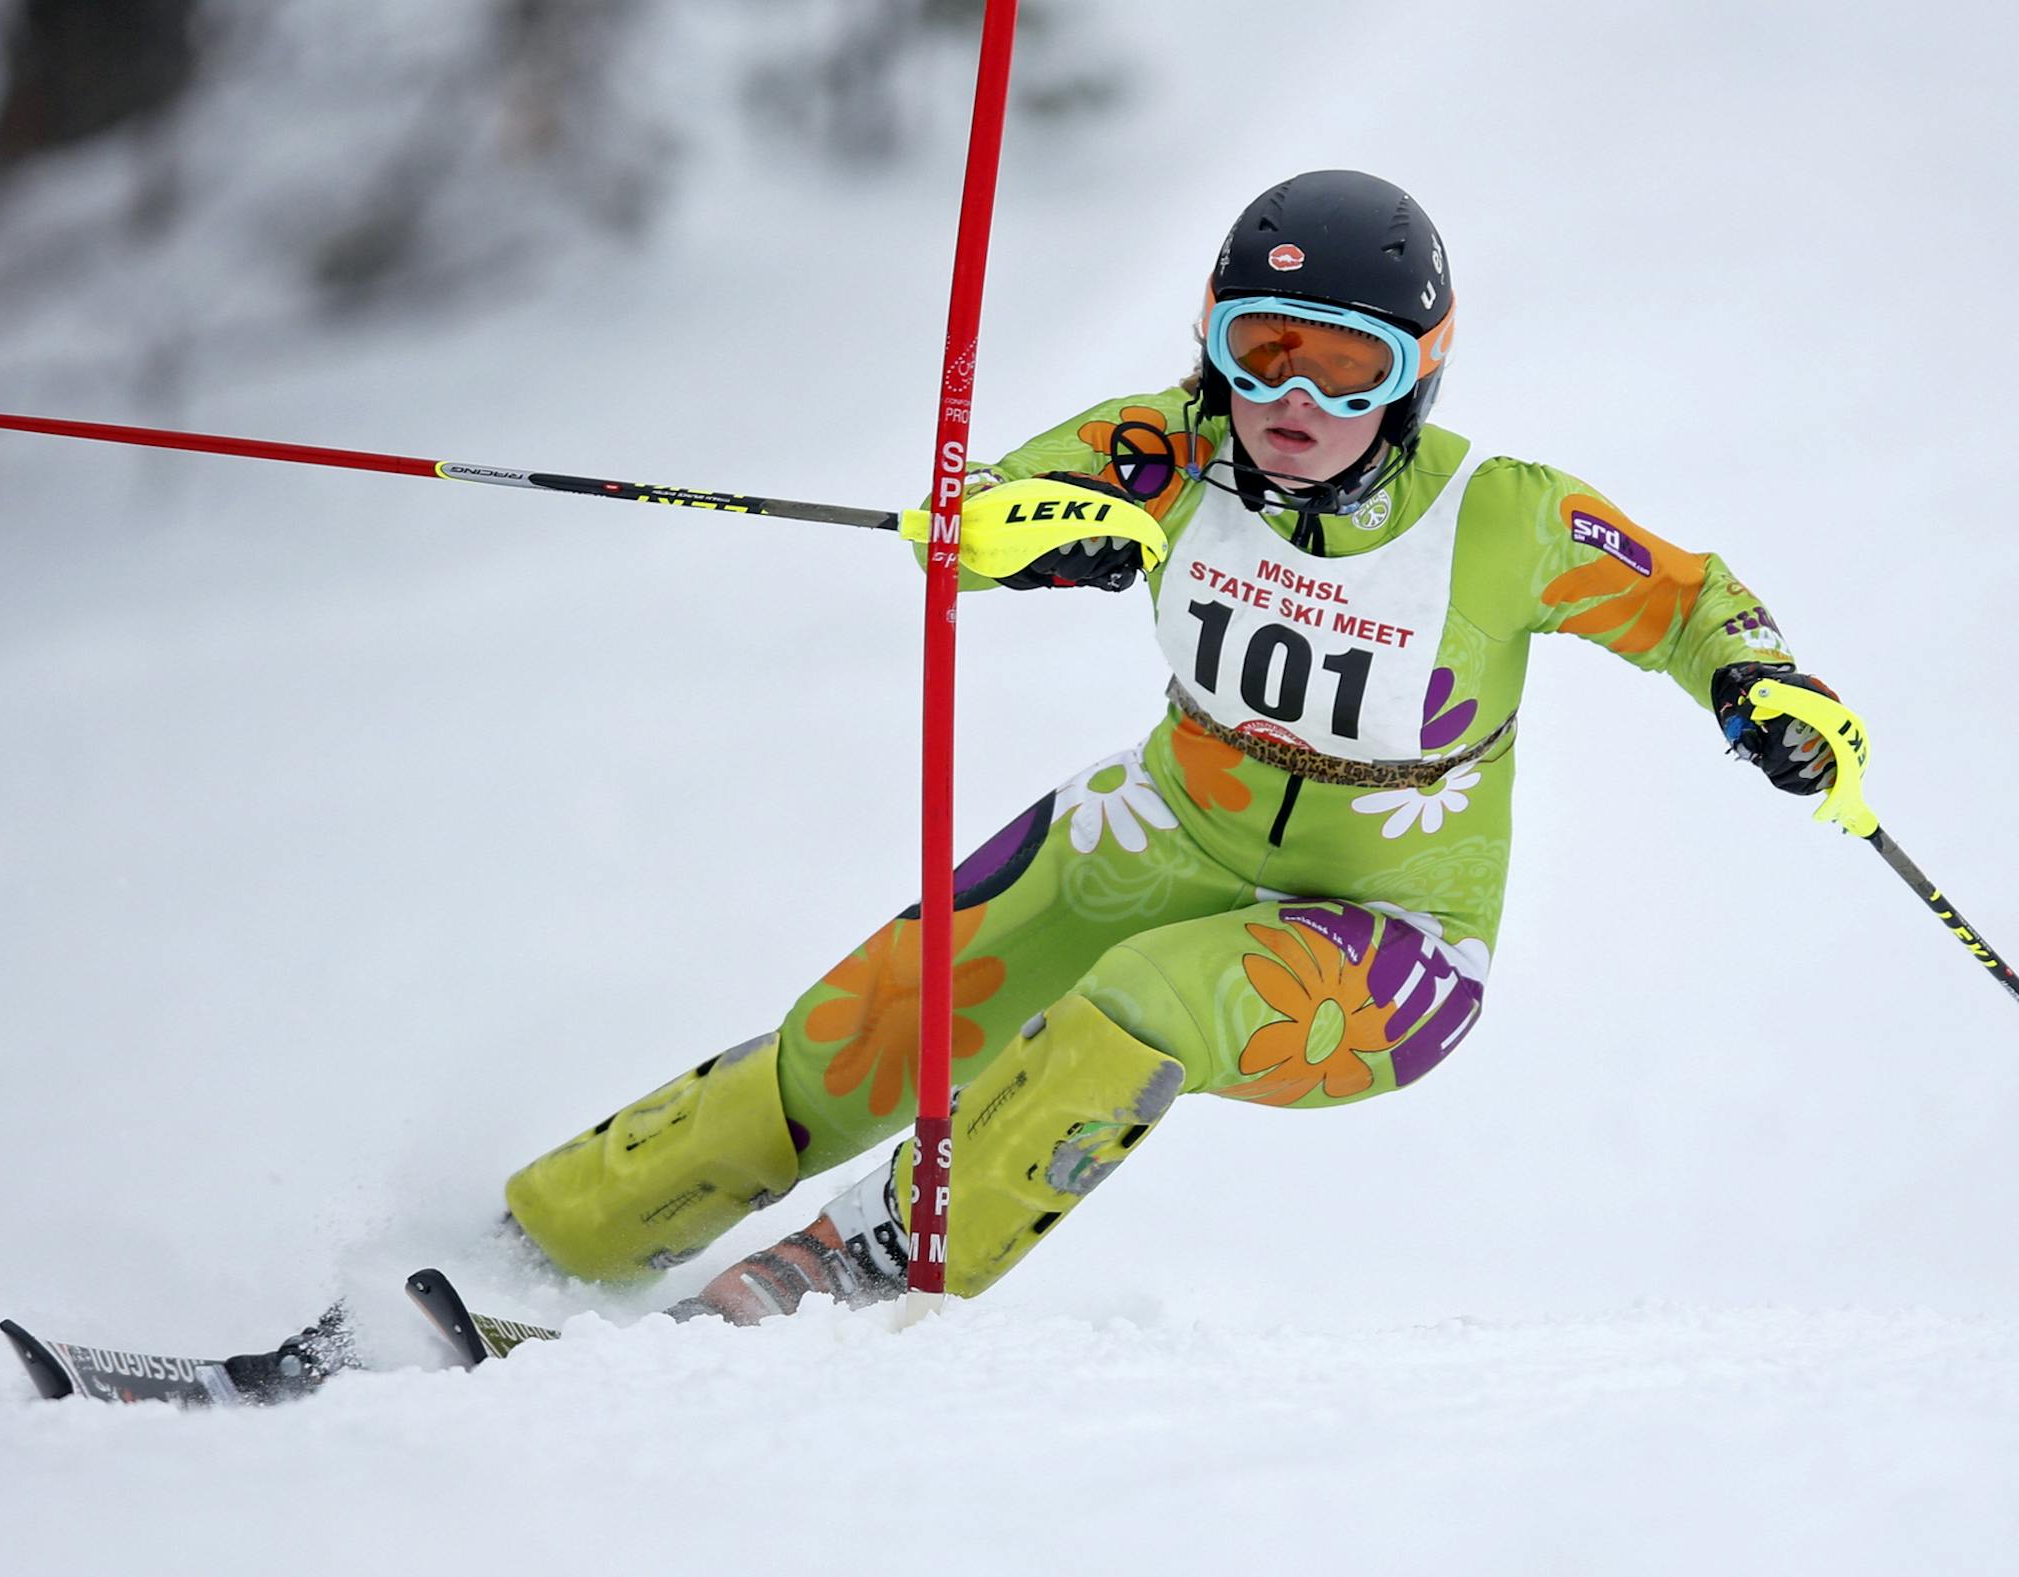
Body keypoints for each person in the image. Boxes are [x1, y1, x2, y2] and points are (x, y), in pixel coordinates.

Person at [501, 169, 1854, 1323]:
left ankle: (832, 1276)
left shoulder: (1503, 519)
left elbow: (1686, 600)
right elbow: (982, 512)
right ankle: (551, 1240)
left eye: (1346, 364)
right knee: (867, 1028)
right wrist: (1027, 533)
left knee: (1149, 997)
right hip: (1158, 831)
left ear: (1417, 378)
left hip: (1392, 938)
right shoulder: (1172, 445)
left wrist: (1765, 689)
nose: (1294, 398)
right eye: (1262, 345)